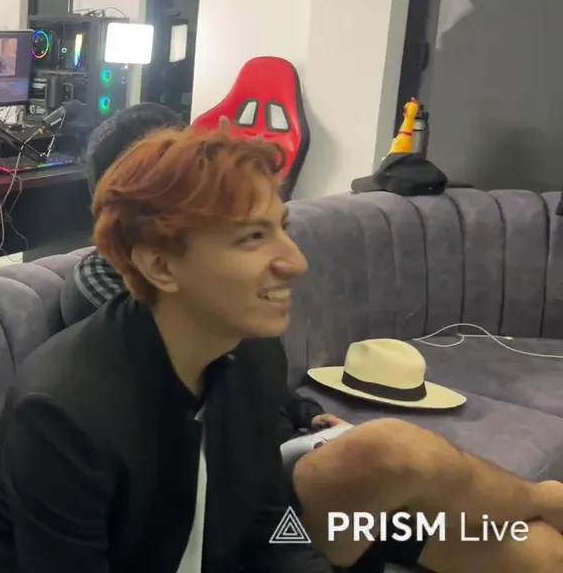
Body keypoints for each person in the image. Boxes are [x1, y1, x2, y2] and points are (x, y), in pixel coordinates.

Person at [61, 106, 563, 572]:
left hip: (287, 471)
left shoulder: (249, 343)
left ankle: (531, 507)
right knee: (389, 450)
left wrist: (305, 414)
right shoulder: (106, 321)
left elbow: (245, 382)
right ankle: (543, 497)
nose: (295, 262)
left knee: (536, 550)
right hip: (266, 482)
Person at [0, 125, 332, 572]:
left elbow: (272, 532)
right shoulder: (62, 414)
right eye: (252, 237)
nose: (296, 261)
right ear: (160, 266)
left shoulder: (254, 354)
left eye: (281, 227)